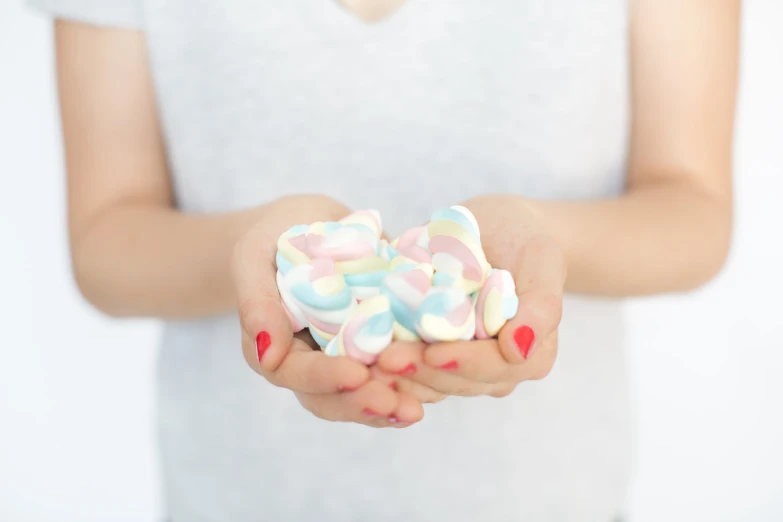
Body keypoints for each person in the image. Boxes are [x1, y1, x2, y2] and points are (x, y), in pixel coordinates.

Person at [30, 0, 739, 520]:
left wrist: (542, 240)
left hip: (550, 496)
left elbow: (692, 208)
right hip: (238, 495)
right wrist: (263, 255)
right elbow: (105, 241)